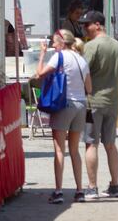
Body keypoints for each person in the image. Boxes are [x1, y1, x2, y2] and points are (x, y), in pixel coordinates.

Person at [35, 30, 92, 204]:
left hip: (63, 105)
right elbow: (89, 88)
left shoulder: (58, 57)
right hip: (80, 105)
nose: (53, 45)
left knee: (59, 149)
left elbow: (39, 74)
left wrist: (42, 53)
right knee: (74, 150)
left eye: (54, 42)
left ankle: (59, 191)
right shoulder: (81, 59)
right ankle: (79, 191)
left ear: (61, 42)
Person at [78, 10, 118, 200]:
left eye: (87, 24)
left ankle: (92, 188)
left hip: (93, 102)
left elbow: (83, 72)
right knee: (110, 144)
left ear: (97, 25)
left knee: (91, 144)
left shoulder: (91, 46)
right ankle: (115, 186)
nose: (84, 28)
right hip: (113, 101)